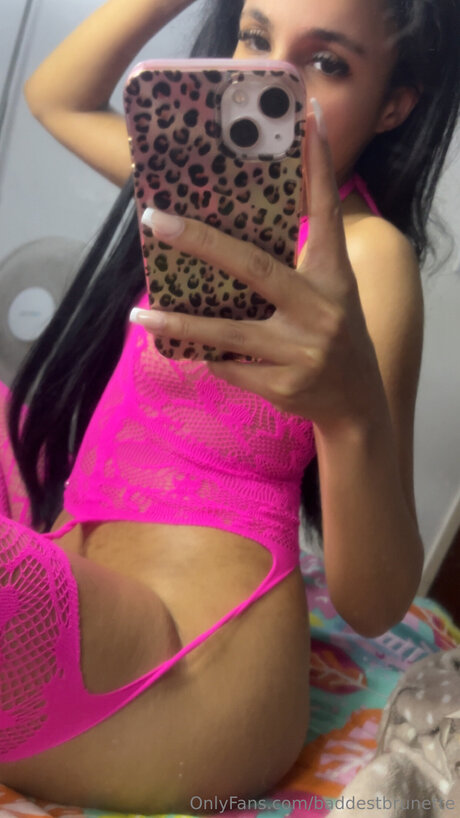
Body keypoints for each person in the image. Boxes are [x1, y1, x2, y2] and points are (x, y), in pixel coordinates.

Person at [0, 0, 459, 812]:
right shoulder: (196, 191)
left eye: (326, 63)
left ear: (393, 105)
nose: (267, 78)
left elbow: (374, 601)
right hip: (74, 579)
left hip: (187, 662)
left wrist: (350, 411)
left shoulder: (369, 258)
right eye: (255, 36)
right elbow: (56, 98)